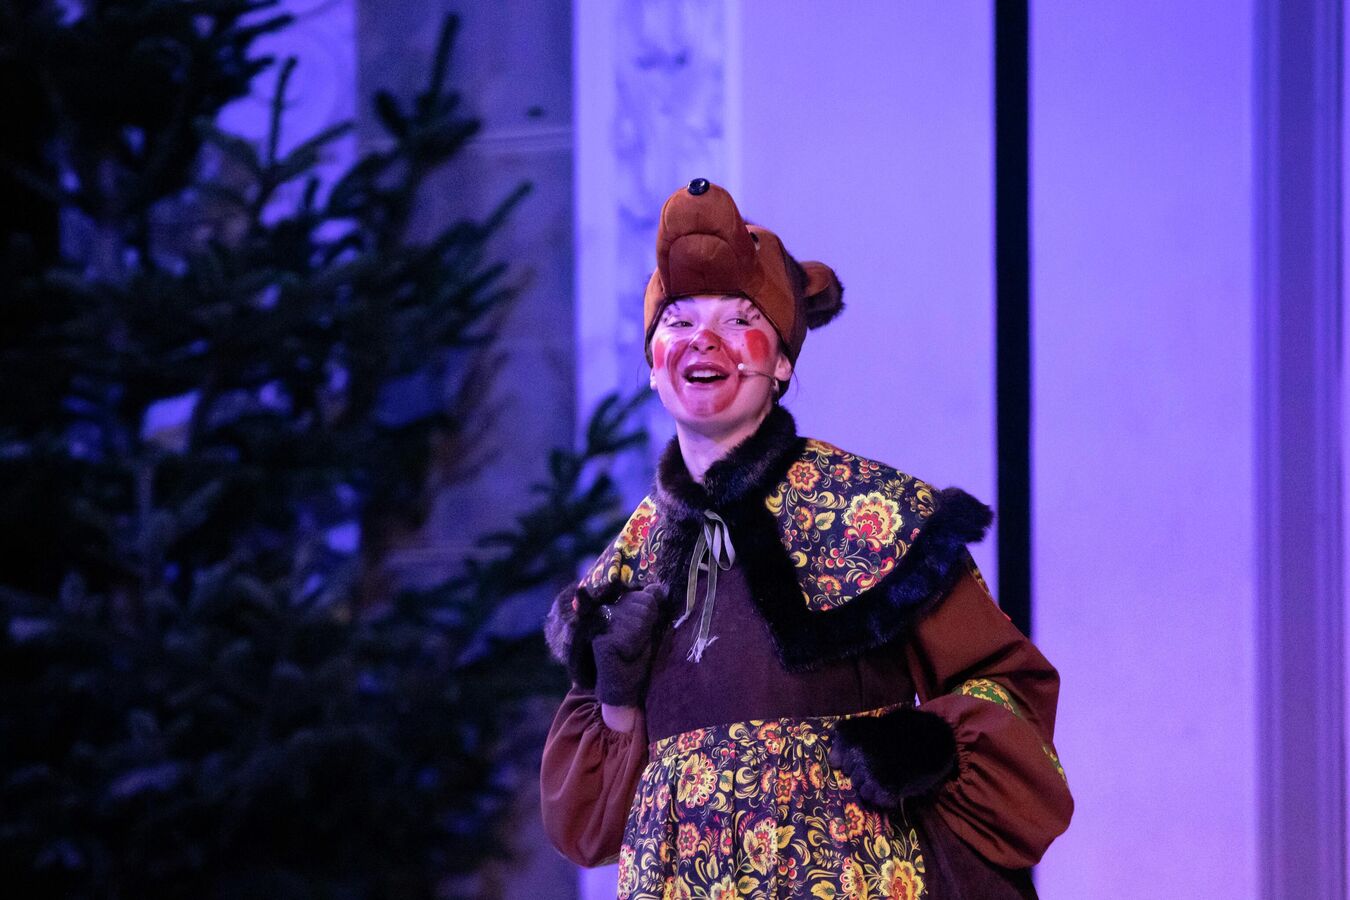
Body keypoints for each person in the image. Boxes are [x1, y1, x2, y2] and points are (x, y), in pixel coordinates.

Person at [540, 178, 1071, 899]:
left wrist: (927, 744)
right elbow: (588, 829)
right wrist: (616, 698)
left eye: (738, 319)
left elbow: (1010, 688)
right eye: (679, 320)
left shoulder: (871, 516)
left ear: (783, 361)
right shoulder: (629, 565)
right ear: (654, 364)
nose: (703, 340)